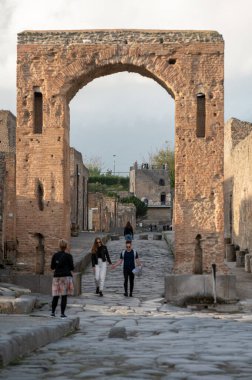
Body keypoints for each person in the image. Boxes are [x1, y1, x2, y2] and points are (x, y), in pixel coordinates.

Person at [50, 239, 74, 318]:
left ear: (59, 246)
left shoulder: (55, 255)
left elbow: (52, 267)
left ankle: (53, 312)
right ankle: (62, 313)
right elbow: (72, 267)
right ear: (66, 246)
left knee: (55, 295)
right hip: (66, 276)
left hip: (56, 276)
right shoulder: (69, 256)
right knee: (64, 296)